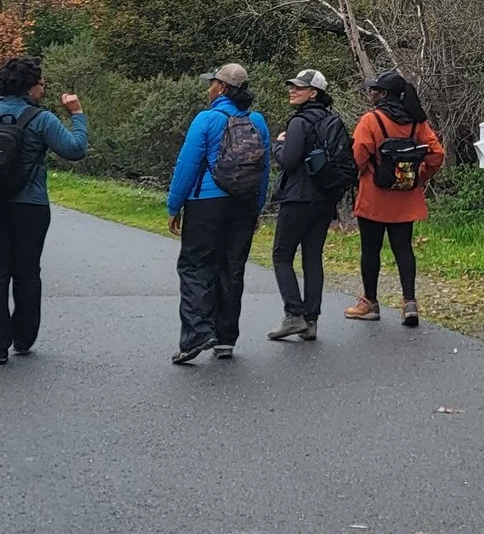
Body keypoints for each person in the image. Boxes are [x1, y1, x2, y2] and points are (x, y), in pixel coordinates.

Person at [0, 55, 87, 366]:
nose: (43, 89)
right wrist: (77, 114)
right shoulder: (42, 120)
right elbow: (75, 150)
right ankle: (23, 338)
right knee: (27, 272)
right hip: (30, 206)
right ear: (29, 89)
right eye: (41, 84)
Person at [164, 63, 271, 365]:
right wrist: (257, 207)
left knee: (196, 266)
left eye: (212, 83)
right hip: (243, 205)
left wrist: (174, 206)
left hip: (206, 203)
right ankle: (225, 338)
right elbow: (263, 171)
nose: (208, 88)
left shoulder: (206, 119)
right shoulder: (258, 122)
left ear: (222, 88)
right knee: (232, 268)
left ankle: (197, 333)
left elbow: (186, 166)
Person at [346, 70, 446, 327]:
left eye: (375, 90)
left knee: (371, 250)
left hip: (374, 197)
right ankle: (409, 302)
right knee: (403, 249)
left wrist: (364, 172)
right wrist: (421, 176)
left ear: (385, 95)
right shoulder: (417, 123)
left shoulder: (371, 121)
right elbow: (436, 154)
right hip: (406, 197)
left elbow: (357, 155)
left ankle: (370, 302)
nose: (371, 94)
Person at [267, 67, 352, 341]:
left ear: (313, 93)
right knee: (312, 258)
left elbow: (288, 160)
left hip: (297, 198)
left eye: (299, 87)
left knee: (281, 256)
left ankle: (294, 315)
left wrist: (277, 145)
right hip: (325, 199)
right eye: (292, 86)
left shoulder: (298, 123)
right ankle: (311, 320)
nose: (292, 90)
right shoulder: (332, 121)